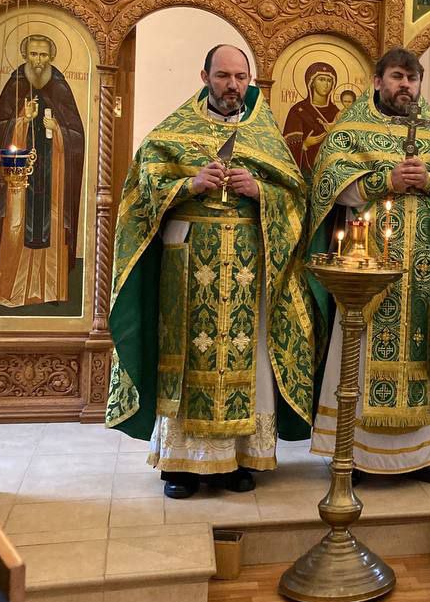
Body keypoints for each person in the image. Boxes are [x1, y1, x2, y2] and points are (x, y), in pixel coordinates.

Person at [105, 45, 317, 499]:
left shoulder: (265, 135)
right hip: (187, 264)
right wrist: (190, 184)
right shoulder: (173, 133)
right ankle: (180, 464)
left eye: (240, 77)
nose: (232, 85)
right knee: (185, 357)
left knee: (247, 357)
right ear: (204, 77)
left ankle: (239, 458)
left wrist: (260, 190)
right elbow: (141, 193)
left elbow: (296, 197)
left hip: (247, 265)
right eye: (223, 76)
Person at [308, 48, 430, 482]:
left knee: (421, 351)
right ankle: (354, 452)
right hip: (364, 269)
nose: (406, 85)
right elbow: (328, 188)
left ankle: (417, 455)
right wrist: (385, 180)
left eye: (412, 78)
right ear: (377, 81)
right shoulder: (351, 128)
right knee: (358, 351)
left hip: (423, 271)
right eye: (398, 77)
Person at [0, 34, 86, 308]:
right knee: (16, 226)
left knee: (51, 225)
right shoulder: (15, 84)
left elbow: (78, 135)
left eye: (43, 55)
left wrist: (59, 131)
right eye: (33, 54)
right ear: (25, 56)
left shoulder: (60, 86)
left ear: (51, 57)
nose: (38, 61)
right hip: (19, 178)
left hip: (54, 176)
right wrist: (22, 120)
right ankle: (13, 290)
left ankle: (50, 291)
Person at [281, 61, 341, 174]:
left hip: (330, 171)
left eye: (329, 81)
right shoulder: (298, 111)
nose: (326, 84)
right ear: (312, 82)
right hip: (305, 173)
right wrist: (304, 144)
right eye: (321, 80)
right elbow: (286, 149)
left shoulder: (337, 113)